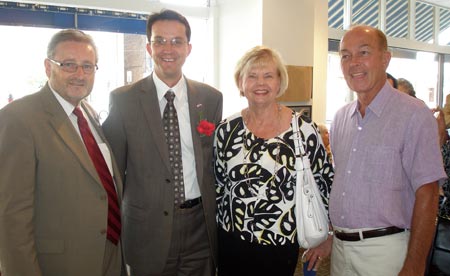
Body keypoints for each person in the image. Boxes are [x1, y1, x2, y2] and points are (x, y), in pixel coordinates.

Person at [102, 9, 223, 276]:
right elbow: (113, 174)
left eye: (177, 41)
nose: (169, 48)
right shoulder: (123, 101)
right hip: (147, 229)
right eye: (160, 41)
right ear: (149, 46)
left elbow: (213, 164)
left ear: (188, 48)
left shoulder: (211, 98)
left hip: (199, 229)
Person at [0, 29, 123, 276]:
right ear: (48, 67)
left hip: (107, 255)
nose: (80, 74)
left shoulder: (87, 113)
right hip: (60, 265)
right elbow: (11, 218)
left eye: (87, 66)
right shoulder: (18, 119)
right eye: (69, 64)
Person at [329, 25, 446, 276]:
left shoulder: (414, 114)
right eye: (345, 55)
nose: (353, 63)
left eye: (363, 53)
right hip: (340, 250)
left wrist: (415, 264)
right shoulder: (340, 119)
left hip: (385, 251)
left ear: (385, 59)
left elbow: (428, 192)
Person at [214, 45, 334, 276]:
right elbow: (219, 188)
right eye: (252, 76)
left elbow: (325, 182)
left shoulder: (303, 129)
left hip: (280, 242)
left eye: (268, 75)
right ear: (241, 83)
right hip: (231, 241)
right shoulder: (226, 130)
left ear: (280, 82)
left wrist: (328, 235)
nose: (260, 83)